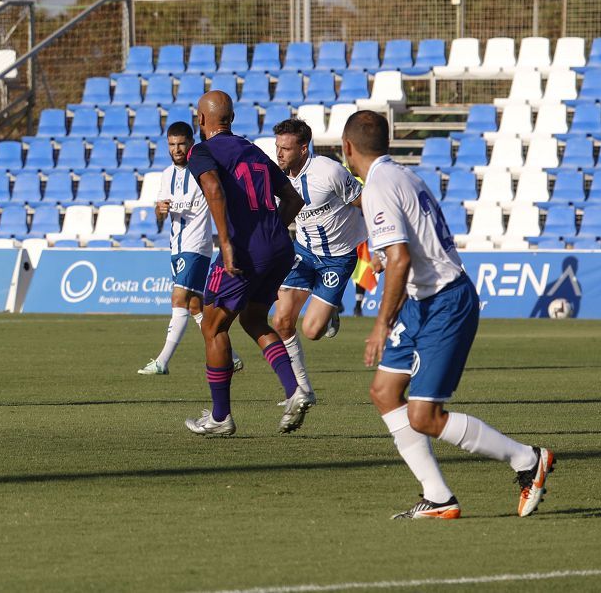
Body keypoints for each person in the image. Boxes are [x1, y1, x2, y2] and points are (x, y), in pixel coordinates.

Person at [341, 110, 554, 519]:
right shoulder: (404, 175)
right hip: (425, 300)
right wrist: (387, 261)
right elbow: (408, 247)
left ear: (348, 148)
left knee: (424, 416)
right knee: (385, 393)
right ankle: (439, 497)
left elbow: (401, 258)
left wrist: (380, 326)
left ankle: (527, 459)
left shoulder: (378, 186)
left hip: (444, 301)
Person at [183, 91, 305, 437]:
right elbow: (294, 198)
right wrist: (273, 234)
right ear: (231, 119)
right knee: (252, 318)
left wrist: (226, 242)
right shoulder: (252, 149)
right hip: (279, 246)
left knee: (213, 327)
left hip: (243, 249)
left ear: (201, 119)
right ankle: (295, 390)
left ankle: (221, 417)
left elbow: (214, 191)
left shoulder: (201, 151)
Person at [270, 118, 368, 432]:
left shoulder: (330, 171)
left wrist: (381, 244)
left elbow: (365, 202)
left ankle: (329, 310)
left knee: (312, 330)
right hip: (304, 252)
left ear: (303, 147)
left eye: (285, 148)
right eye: (277, 147)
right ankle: (302, 391)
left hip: (338, 259)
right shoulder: (277, 178)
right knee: (281, 321)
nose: (280, 153)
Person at [139, 121, 243, 375]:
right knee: (196, 306)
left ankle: (163, 361)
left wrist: (170, 206)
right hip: (176, 245)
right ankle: (232, 356)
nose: (176, 149)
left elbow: (199, 205)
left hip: (196, 245)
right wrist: (159, 210)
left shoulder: (201, 170)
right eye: (172, 145)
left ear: (190, 143)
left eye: (181, 144)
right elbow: (161, 213)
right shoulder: (165, 174)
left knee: (179, 298)